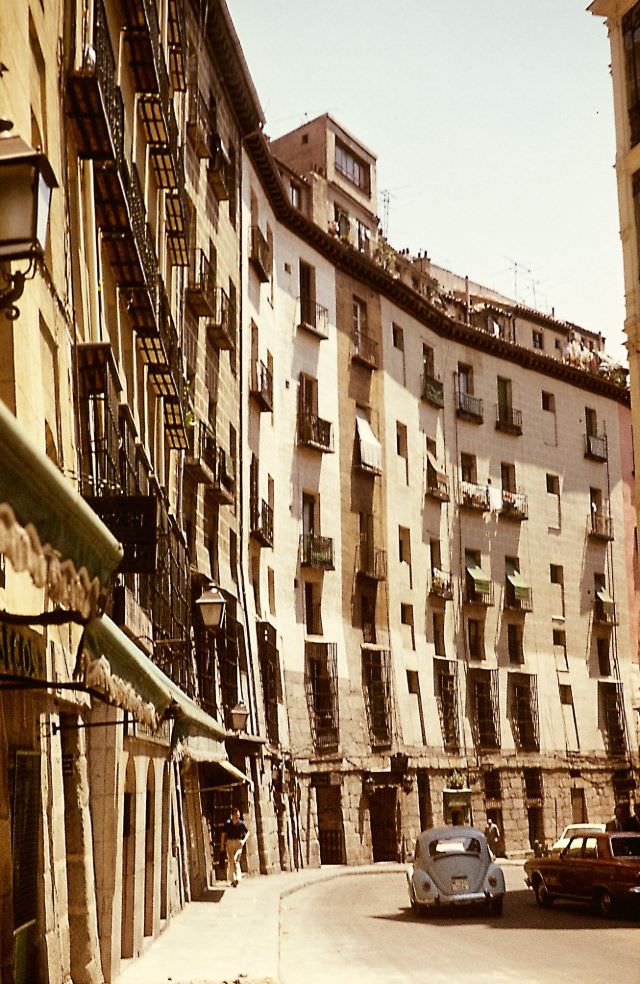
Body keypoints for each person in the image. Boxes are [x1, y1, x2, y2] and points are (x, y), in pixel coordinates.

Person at [221, 807, 249, 887]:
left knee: (236, 860)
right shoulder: (228, 823)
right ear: (232, 815)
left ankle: (238, 878)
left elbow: (247, 832)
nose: (237, 817)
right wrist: (222, 845)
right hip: (229, 842)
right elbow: (223, 835)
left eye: (238, 816)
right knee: (231, 861)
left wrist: (243, 841)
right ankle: (232, 879)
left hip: (238, 842)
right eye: (236, 816)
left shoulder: (241, 824)